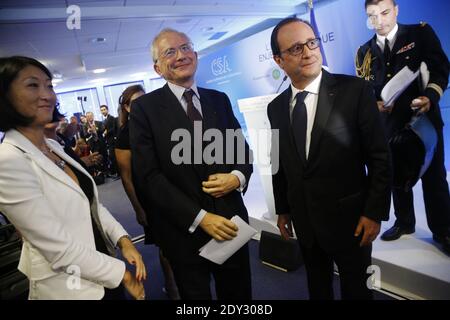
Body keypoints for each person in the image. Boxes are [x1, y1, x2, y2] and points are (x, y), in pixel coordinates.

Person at [0, 56, 146, 300]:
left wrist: (122, 239)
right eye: (32, 85)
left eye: (49, 85)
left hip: (103, 265)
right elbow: (58, 249)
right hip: (70, 286)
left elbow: (91, 204)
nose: (47, 95)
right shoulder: (7, 160)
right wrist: (123, 274)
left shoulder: (53, 146)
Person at [268, 18, 391, 299]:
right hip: (306, 221)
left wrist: (373, 213)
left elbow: (380, 157)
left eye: (312, 43)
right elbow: (278, 161)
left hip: (351, 221)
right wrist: (283, 209)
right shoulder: (275, 108)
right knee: (317, 287)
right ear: (279, 60)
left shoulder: (355, 91)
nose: (309, 52)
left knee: (358, 290)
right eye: (297, 48)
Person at [129, 28, 253, 299]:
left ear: (196, 56)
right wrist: (201, 218)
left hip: (231, 225)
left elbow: (243, 154)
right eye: (170, 52)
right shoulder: (144, 110)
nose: (180, 55)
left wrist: (237, 177)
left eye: (185, 48)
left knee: (239, 296)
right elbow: (148, 177)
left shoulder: (218, 100)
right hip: (183, 232)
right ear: (157, 67)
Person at [356, 0, 450, 253]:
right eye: (372, 15)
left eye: (385, 13)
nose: (380, 20)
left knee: (434, 177)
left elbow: (441, 68)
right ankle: (404, 222)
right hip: (388, 125)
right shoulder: (363, 52)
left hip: (423, 121)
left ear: (396, 10)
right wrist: (373, 104)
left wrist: (430, 96)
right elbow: (364, 90)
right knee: (396, 177)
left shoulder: (420, 33)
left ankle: (443, 230)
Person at [115, 84, 180, 300]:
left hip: (171, 190)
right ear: (126, 108)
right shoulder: (125, 135)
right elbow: (126, 177)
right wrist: (138, 207)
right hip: (149, 198)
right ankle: (172, 288)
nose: (143, 105)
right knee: (165, 244)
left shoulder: (157, 124)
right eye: (136, 102)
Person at [100, 105, 119, 177]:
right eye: (101, 110)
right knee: (112, 157)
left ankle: (119, 173)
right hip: (108, 141)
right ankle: (118, 173)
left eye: (104, 109)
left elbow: (114, 129)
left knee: (113, 157)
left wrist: (106, 132)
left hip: (113, 141)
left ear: (107, 110)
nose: (103, 111)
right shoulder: (104, 120)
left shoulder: (111, 118)